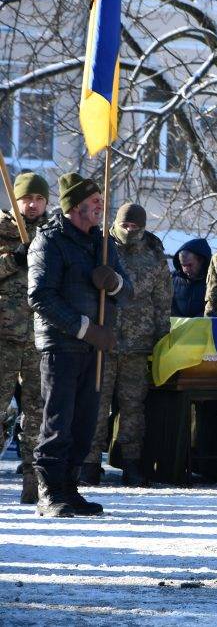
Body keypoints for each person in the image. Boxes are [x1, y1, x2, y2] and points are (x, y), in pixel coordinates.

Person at [27, 173, 133, 517]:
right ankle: (49, 491)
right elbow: (40, 296)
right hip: (61, 345)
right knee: (59, 420)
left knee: (85, 423)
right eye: (93, 201)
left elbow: (128, 291)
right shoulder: (50, 241)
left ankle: (69, 488)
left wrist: (114, 283)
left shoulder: (103, 244)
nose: (100, 205)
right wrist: (86, 328)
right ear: (74, 206)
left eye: (100, 199)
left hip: (95, 349)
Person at [83, 203, 172, 487]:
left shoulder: (154, 254)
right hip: (103, 339)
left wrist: (162, 335)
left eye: (135, 227)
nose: (130, 231)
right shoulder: (101, 247)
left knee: (133, 407)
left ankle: (132, 463)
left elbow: (162, 298)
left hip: (138, 342)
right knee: (96, 404)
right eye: (126, 226)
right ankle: (89, 462)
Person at [0, 172, 50, 503]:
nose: (32, 205)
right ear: (15, 201)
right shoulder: (2, 232)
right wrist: (13, 259)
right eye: (26, 199)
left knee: (37, 410)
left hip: (39, 337)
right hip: (4, 334)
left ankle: (33, 480)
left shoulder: (52, 235)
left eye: (38, 199)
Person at [171, 238, 211, 317]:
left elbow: (216, 307)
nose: (186, 269)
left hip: (205, 326)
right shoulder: (173, 279)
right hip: (178, 327)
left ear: (201, 261)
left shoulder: (214, 280)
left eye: (189, 265)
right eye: (183, 265)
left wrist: (195, 321)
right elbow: (166, 305)